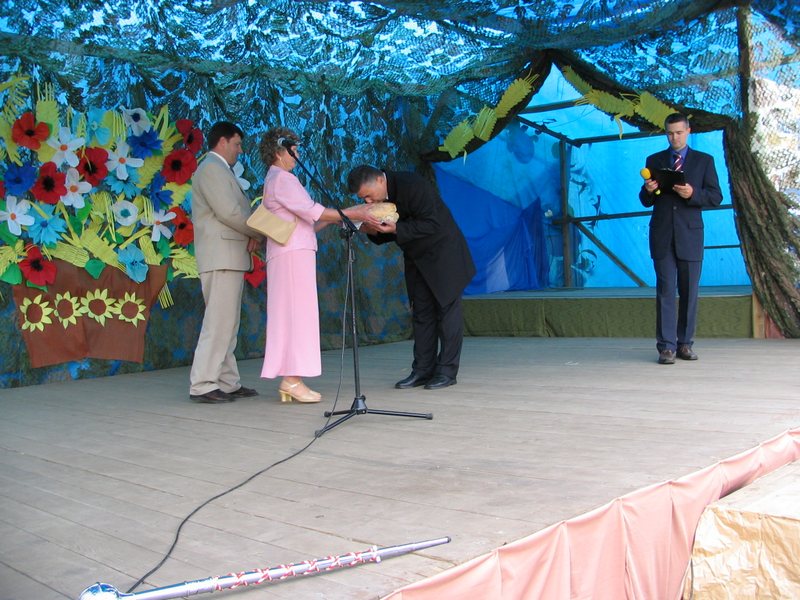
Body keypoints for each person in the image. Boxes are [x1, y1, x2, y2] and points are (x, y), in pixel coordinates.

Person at [259, 127, 371, 402]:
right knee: (296, 314)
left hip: (292, 252)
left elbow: (307, 221)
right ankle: (292, 379)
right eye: (293, 151)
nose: (297, 156)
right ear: (279, 151)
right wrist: (351, 212)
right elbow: (313, 211)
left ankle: (292, 378)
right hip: (291, 255)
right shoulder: (282, 178)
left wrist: (341, 216)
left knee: (296, 313)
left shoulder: (277, 179)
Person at [347, 165, 476, 390]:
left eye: (368, 195)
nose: (368, 201)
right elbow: (391, 231)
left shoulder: (412, 184)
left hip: (444, 253)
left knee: (447, 313)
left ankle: (447, 371)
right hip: (417, 258)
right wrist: (371, 230)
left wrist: (396, 229)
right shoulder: (382, 197)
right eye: (363, 199)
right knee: (422, 314)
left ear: (380, 180)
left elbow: (432, 224)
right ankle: (422, 370)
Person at [639, 113, 722, 364]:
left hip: (690, 235)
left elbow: (715, 197)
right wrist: (648, 190)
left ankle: (685, 344)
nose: (674, 137)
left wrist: (692, 193)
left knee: (689, 291)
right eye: (669, 133)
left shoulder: (704, 161)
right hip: (662, 234)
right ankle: (666, 347)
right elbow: (645, 201)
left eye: (678, 132)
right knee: (665, 290)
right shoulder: (654, 160)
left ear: (688, 131)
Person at [189, 121, 262, 403]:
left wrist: (250, 234)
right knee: (218, 322)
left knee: (227, 323)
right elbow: (230, 212)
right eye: (237, 144)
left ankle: (227, 381)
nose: (240, 150)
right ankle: (203, 384)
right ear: (222, 142)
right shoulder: (211, 168)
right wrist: (258, 231)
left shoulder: (219, 169)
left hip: (229, 254)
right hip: (221, 256)